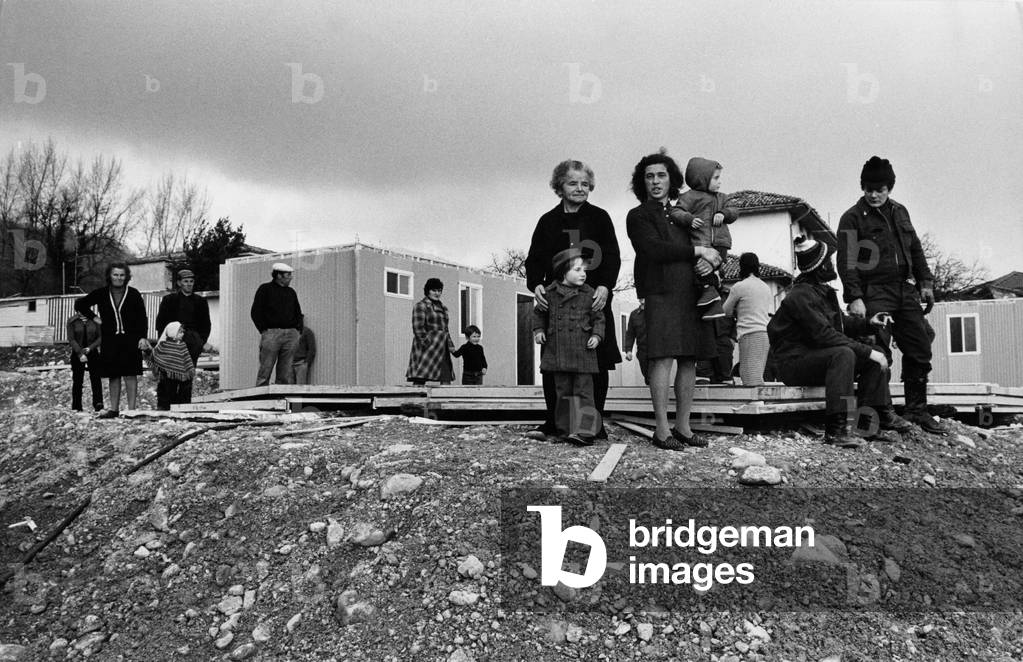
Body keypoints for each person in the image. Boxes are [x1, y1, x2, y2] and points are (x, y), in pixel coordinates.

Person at [767, 236, 914, 448]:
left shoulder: (821, 291)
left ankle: (867, 425)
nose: (832, 265)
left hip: (814, 358)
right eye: (829, 261)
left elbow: (840, 323)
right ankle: (836, 430)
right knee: (845, 354)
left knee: (873, 355)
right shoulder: (800, 296)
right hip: (793, 363)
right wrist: (867, 352)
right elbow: (824, 335)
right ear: (819, 265)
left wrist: (869, 323)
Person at [626, 149, 724, 451]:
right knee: (662, 357)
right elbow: (654, 250)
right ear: (642, 182)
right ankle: (661, 430)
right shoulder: (638, 216)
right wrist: (698, 253)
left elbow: (709, 240)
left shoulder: (685, 211)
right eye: (649, 176)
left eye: (661, 175)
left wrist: (713, 261)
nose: (655, 182)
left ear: (672, 179)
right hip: (660, 291)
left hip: (691, 291)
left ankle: (683, 427)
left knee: (689, 358)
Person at [837, 156, 942, 434]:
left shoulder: (900, 211)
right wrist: (855, 296)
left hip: (903, 288)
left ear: (889, 188)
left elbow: (915, 248)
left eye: (879, 189)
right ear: (862, 187)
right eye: (868, 188)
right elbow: (845, 261)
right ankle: (874, 417)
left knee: (920, 345)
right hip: (873, 292)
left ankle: (917, 410)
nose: (873, 194)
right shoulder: (851, 217)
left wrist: (925, 281)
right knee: (877, 352)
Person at [525, 159, 622, 439]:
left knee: (595, 366)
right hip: (556, 304)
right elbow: (534, 259)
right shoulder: (547, 221)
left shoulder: (600, 218)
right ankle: (557, 425)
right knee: (556, 367)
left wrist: (606, 285)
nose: (579, 188)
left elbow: (612, 255)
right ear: (559, 187)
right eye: (572, 183)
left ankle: (591, 426)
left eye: (584, 183)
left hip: (592, 302)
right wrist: (536, 286)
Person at [532, 248, 605, 446]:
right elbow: (538, 313)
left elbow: (599, 317)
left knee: (585, 394)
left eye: (584, 270)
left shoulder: (589, 293)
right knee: (562, 393)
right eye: (578, 269)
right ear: (563, 271)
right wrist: (538, 330)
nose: (583, 273)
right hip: (558, 352)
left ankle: (586, 432)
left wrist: (597, 335)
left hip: (583, 352)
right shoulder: (549, 293)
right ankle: (565, 431)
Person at [74, 263, 150, 418]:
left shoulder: (134, 294)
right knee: (114, 374)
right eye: (115, 275)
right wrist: (95, 318)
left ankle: (131, 410)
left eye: (122, 275)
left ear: (126, 277)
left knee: (130, 374)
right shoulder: (102, 293)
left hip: (131, 339)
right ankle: (114, 409)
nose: (119, 278)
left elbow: (142, 317)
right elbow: (80, 304)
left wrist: (143, 336)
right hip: (110, 340)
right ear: (110, 276)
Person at [672, 157, 739, 321]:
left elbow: (734, 211)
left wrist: (724, 214)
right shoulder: (690, 197)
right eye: (715, 178)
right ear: (701, 178)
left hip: (721, 243)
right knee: (700, 271)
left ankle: (712, 292)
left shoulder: (722, 198)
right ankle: (712, 298)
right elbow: (676, 212)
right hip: (700, 243)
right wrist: (689, 219)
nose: (719, 182)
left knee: (710, 269)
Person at [155, 267, 212, 404]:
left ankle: (184, 406)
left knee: (187, 374)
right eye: (185, 281)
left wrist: (200, 341)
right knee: (169, 374)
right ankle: (166, 405)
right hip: (172, 342)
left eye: (191, 281)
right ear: (179, 283)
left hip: (192, 342)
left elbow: (206, 324)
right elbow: (161, 322)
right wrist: (164, 342)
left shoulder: (200, 301)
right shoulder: (169, 300)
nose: (189, 284)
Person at [722, 253, 774, 386]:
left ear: (741, 267)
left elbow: (725, 311)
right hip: (764, 333)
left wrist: (737, 311)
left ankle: (757, 406)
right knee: (755, 374)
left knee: (750, 377)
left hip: (749, 333)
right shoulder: (765, 287)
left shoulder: (740, 286)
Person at [250, 262, 303, 386]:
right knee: (266, 366)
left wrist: (297, 330)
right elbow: (255, 311)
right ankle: (261, 394)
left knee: (286, 368)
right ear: (279, 275)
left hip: (291, 334)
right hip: (272, 333)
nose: (291, 277)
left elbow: (297, 312)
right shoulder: (265, 289)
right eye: (288, 275)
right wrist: (264, 330)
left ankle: (280, 393)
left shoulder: (291, 292)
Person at [406, 278, 455, 386]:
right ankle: (416, 401)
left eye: (439, 290)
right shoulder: (421, 306)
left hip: (442, 347)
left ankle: (445, 401)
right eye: (434, 290)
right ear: (428, 291)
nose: (437, 293)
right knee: (420, 377)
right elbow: (418, 327)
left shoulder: (444, 308)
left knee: (446, 376)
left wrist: (450, 345)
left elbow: (446, 329)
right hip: (426, 347)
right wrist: (426, 343)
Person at [150, 322, 195, 410]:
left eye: (183, 332)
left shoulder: (182, 345)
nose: (183, 334)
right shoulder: (163, 345)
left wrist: (188, 370)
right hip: (166, 377)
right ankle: (163, 407)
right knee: (166, 390)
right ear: (173, 332)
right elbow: (154, 357)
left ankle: (180, 407)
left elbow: (187, 361)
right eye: (180, 332)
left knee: (182, 390)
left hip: (180, 376)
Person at [66, 311, 104, 412]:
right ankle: (77, 406)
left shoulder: (96, 320)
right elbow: (71, 339)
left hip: (92, 352)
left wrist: (90, 348)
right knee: (78, 380)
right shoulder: (72, 321)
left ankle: (98, 403)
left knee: (96, 378)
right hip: (77, 353)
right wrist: (80, 353)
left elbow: (101, 337)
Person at [623, 299, 649, 385]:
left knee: (655, 376)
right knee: (648, 377)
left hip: (657, 351)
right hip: (643, 352)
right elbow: (630, 334)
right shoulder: (634, 315)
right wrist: (628, 350)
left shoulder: (657, 312)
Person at [291, 317, 317, 385]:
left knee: (300, 388)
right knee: (288, 388)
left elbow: (312, 349)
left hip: (301, 364)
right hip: (289, 365)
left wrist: (306, 363)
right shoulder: (289, 332)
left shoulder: (307, 332)